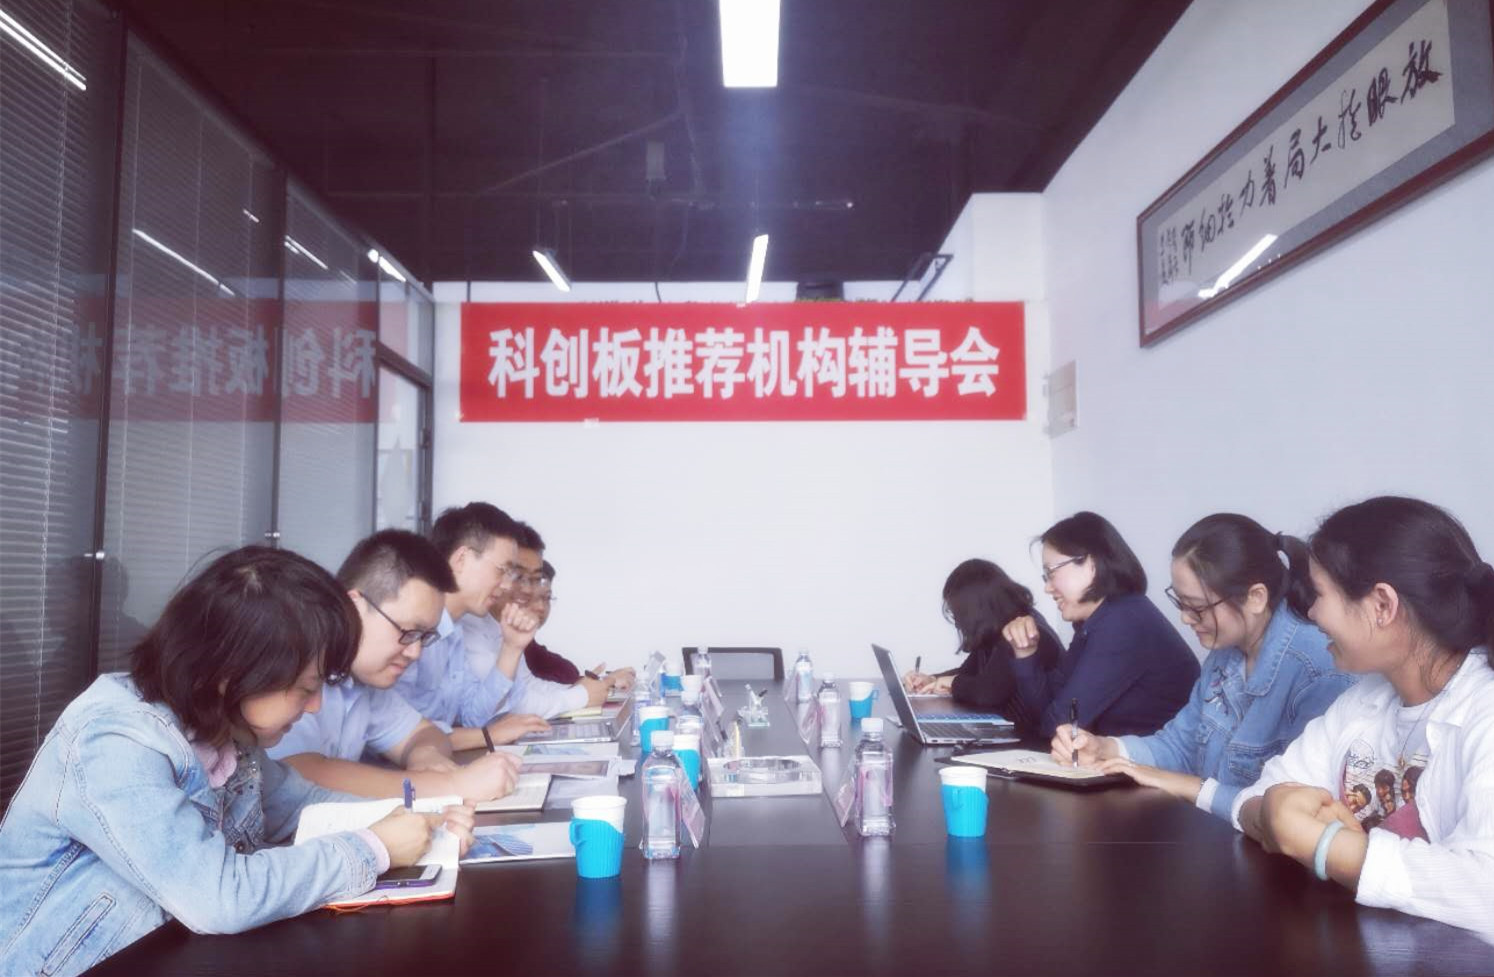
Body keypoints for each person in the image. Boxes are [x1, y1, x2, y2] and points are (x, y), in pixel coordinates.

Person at [0, 547, 476, 977]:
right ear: (234, 674)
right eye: (306, 689)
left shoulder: (227, 736)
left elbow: (301, 803)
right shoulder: (114, 743)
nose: (314, 707)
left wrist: (419, 821)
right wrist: (375, 846)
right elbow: (218, 898)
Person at [1234, 496, 1494, 942]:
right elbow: (1257, 798)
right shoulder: (1363, 700)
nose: (1312, 613)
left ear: (1382, 605)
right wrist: (1270, 811)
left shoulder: (1484, 714)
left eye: (1319, 594)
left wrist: (1324, 845)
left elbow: (1484, 888)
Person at [1052, 514, 1354, 819]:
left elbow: (1291, 809)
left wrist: (1189, 786)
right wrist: (1104, 748)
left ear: (1255, 597)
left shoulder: (1317, 668)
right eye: (1180, 603)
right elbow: (1179, 746)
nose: (1185, 618)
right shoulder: (1226, 652)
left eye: (1196, 607)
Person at [269, 529, 522, 799]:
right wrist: (450, 786)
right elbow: (297, 772)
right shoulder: (295, 663)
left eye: (424, 637)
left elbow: (424, 733)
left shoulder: (365, 684)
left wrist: (424, 756)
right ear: (354, 605)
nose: (415, 652)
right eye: (408, 632)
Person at [1003, 511, 1199, 736]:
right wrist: (1025, 653)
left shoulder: (1124, 622)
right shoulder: (1099, 620)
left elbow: (1060, 726)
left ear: (1092, 563)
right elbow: (1050, 710)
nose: (1048, 587)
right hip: (1119, 754)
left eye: (1051, 572)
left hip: (1152, 757)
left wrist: (1053, 720)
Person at [394, 502, 549, 751]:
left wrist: (511, 649)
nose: (507, 585)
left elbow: (472, 716)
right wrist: (486, 736)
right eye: (502, 571)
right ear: (461, 559)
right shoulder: (409, 630)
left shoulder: (453, 630)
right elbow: (399, 735)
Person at [462, 522, 634, 719]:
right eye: (518, 575)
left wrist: (593, 689)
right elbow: (510, 706)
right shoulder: (468, 624)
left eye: (535, 579)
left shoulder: (496, 624)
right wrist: (581, 695)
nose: (529, 590)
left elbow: (526, 686)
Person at [900, 558, 1065, 733]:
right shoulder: (995, 630)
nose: (957, 621)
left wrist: (953, 683)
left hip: (1037, 739)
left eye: (958, 613)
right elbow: (968, 672)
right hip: (1015, 732)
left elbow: (988, 692)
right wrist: (932, 680)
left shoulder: (1023, 632)